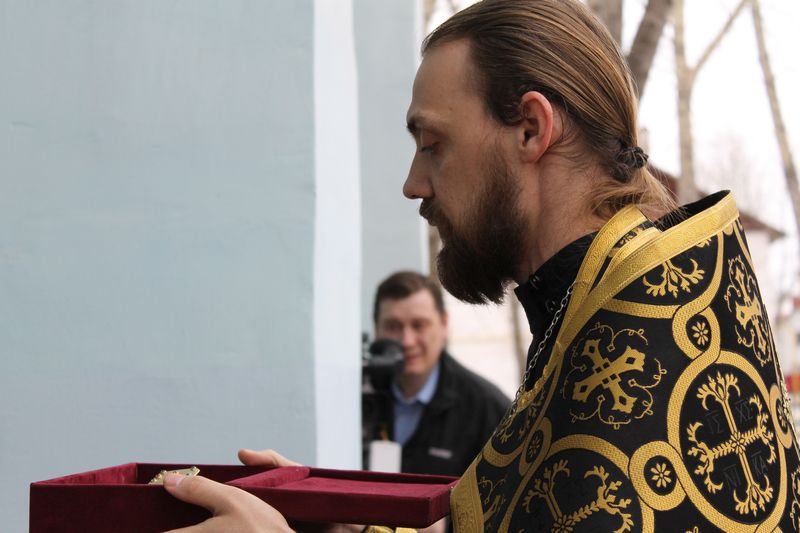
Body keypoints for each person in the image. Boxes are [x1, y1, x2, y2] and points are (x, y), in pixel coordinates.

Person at [163, 0, 800, 531]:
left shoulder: (639, 363)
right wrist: (342, 523)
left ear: (531, 129)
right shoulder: (612, 311)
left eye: (432, 145)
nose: (413, 185)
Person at [365, 271, 509, 477]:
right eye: (393, 326)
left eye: (419, 325)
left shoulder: (487, 409)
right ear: (376, 329)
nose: (406, 341)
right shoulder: (354, 398)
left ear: (444, 324)